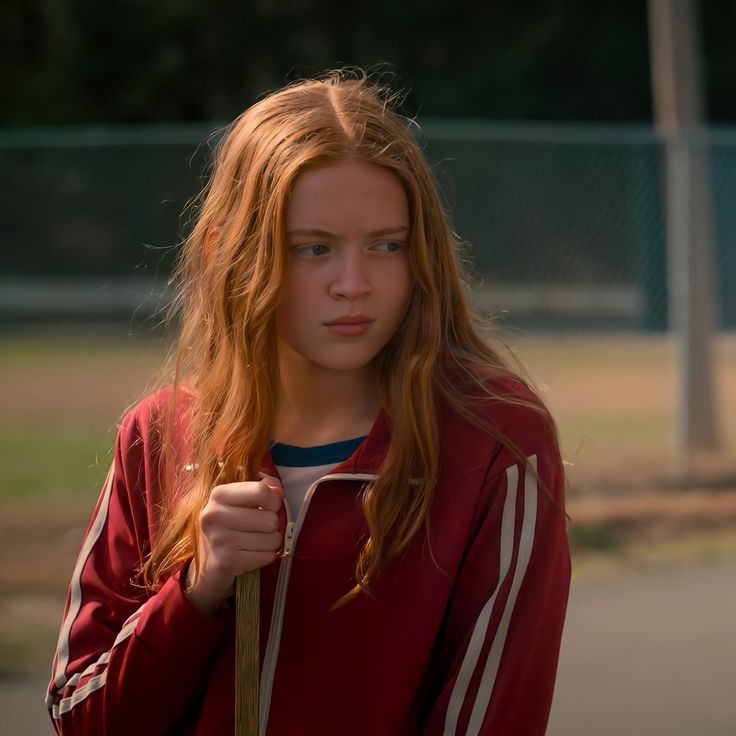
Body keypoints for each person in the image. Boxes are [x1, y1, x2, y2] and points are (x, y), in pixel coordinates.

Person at [46, 70, 571, 736]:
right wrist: (197, 591)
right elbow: (80, 717)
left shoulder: (494, 442)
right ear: (230, 254)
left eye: (387, 245)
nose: (354, 285)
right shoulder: (158, 435)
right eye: (312, 249)